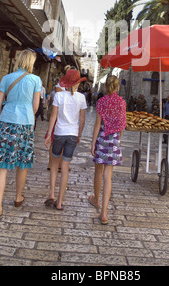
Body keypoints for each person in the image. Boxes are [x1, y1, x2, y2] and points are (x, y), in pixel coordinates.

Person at [0, 50, 41, 221]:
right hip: (25, 124)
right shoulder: (36, 80)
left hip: (7, 122)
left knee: (2, 166)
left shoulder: (7, 78)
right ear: (31, 62)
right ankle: (17, 198)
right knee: (22, 163)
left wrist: (3, 116)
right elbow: (35, 107)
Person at [44, 69, 87, 210]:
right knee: (66, 168)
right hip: (72, 134)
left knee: (54, 164)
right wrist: (79, 134)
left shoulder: (59, 96)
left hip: (59, 133)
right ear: (77, 83)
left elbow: (53, 117)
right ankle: (60, 201)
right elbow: (82, 119)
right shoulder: (81, 98)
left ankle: (51, 193)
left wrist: (49, 134)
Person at [89, 75, 127, 225]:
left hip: (102, 139)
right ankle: (104, 213)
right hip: (114, 140)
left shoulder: (101, 101)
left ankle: (96, 200)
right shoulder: (122, 102)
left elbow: (97, 124)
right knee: (108, 176)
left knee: (98, 171)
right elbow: (122, 125)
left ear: (105, 86)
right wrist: (118, 139)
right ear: (118, 87)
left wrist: (93, 143)